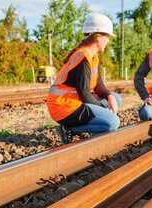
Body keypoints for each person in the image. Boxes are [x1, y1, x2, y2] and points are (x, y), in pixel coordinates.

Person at [47, 13, 122, 144]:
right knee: (112, 123)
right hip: (64, 106)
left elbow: (99, 85)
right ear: (98, 37)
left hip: (75, 101)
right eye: (107, 37)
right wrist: (104, 109)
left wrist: (109, 97)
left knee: (116, 99)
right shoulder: (83, 58)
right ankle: (69, 129)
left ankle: (94, 124)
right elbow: (84, 93)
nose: (108, 41)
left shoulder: (93, 56)